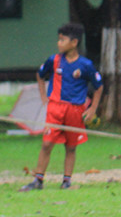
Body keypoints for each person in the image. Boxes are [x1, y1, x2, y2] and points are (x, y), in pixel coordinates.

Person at [19, 23, 104, 191]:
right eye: (58, 39)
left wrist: (92, 109)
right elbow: (40, 74)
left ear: (74, 42)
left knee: (71, 147)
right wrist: (44, 96)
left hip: (75, 110)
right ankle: (38, 180)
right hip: (55, 109)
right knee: (46, 144)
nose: (58, 43)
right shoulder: (54, 60)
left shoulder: (85, 65)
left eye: (62, 40)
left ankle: (66, 181)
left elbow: (99, 86)